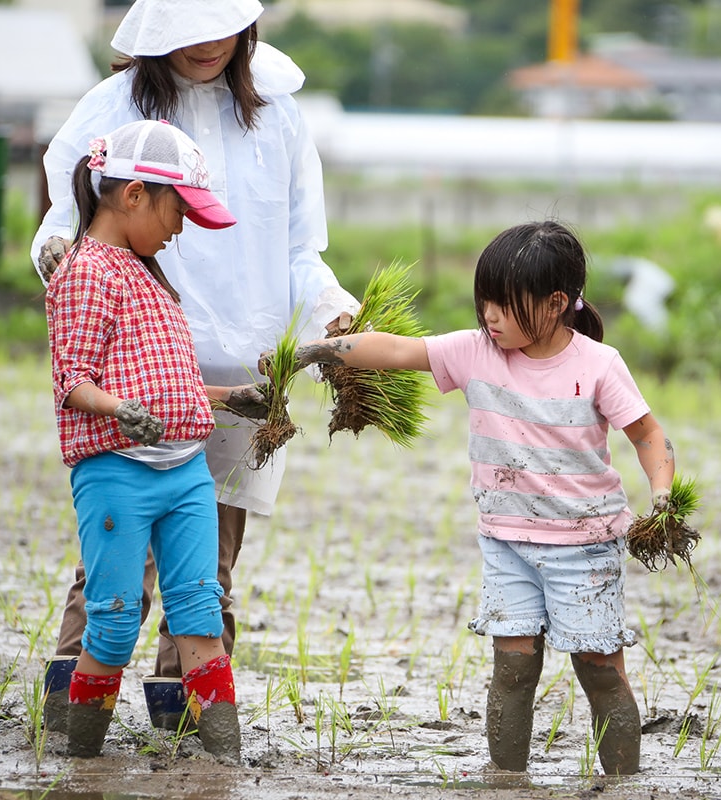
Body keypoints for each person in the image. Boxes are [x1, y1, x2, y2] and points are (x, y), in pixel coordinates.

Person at [32, 0, 359, 733]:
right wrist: (54, 254)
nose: (209, 44)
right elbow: (67, 215)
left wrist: (333, 315)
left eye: (225, 26)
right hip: (134, 374)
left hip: (242, 383)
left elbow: (302, 251)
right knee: (114, 565)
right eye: (191, 28)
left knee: (209, 569)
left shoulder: (277, 114)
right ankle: (69, 719)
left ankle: (183, 730)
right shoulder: (112, 107)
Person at [281, 221, 667, 775]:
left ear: (557, 303)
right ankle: (505, 782)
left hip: (584, 547)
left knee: (600, 668)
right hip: (506, 543)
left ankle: (626, 783)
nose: (490, 317)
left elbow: (648, 435)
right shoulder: (475, 352)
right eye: (484, 302)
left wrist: (660, 498)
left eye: (504, 306)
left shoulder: (598, 366)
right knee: (512, 672)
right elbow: (393, 350)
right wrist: (316, 350)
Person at [45, 120, 262, 760]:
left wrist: (225, 399)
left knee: (200, 609)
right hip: (117, 471)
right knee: (112, 621)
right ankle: (80, 760)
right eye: (178, 211)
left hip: (185, 469)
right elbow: (71, 379)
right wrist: (119, 411)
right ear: (133, 194)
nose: (181, 227)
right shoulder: (87, 272)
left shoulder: (150, 274)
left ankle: (229, 760)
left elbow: (168, 385)